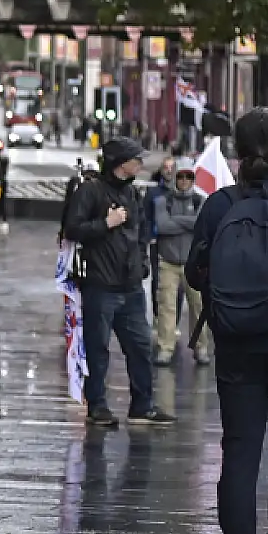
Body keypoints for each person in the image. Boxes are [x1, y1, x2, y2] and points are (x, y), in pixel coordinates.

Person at [187, 109, 268, 534]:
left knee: (239, 450)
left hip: (235, 346)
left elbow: (195, 273)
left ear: (236, 153)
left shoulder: (218, 205)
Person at [62, 136, 171, 429]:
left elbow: (139, 233)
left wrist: (143, 265)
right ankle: (97, 405)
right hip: (100, 284)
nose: (141, 164)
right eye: (136, 159)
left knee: (140, 346)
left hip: (131, 286)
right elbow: (72, 229)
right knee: (97, 348)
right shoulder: (91, 191)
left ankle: (142, 405)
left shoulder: (133, 194)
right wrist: (105, 224)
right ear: (121, 163)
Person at [154, 160, 210, 380]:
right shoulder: (163, 200)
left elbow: (200, 225)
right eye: (181, 176)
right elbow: (162, 226)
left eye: (188, 177)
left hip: (192, 262)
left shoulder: (200, 200)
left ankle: (201, 346)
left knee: (198, 305)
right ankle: (165, 347)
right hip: (168, 261)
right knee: (166, 306)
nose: (184, 181)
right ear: (175, 177)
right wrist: (187, 222)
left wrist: (176, 222)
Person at [146, 157, 178, 316]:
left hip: (177, 243)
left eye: (172, 167)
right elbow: (146, 216)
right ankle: (158, 315)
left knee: (176, 284)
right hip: (157, 242)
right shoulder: (153, 192)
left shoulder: (180, 192)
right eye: (166, 167)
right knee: (158, 280)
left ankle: (174, 320)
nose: (169, 170)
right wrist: (149, 237)